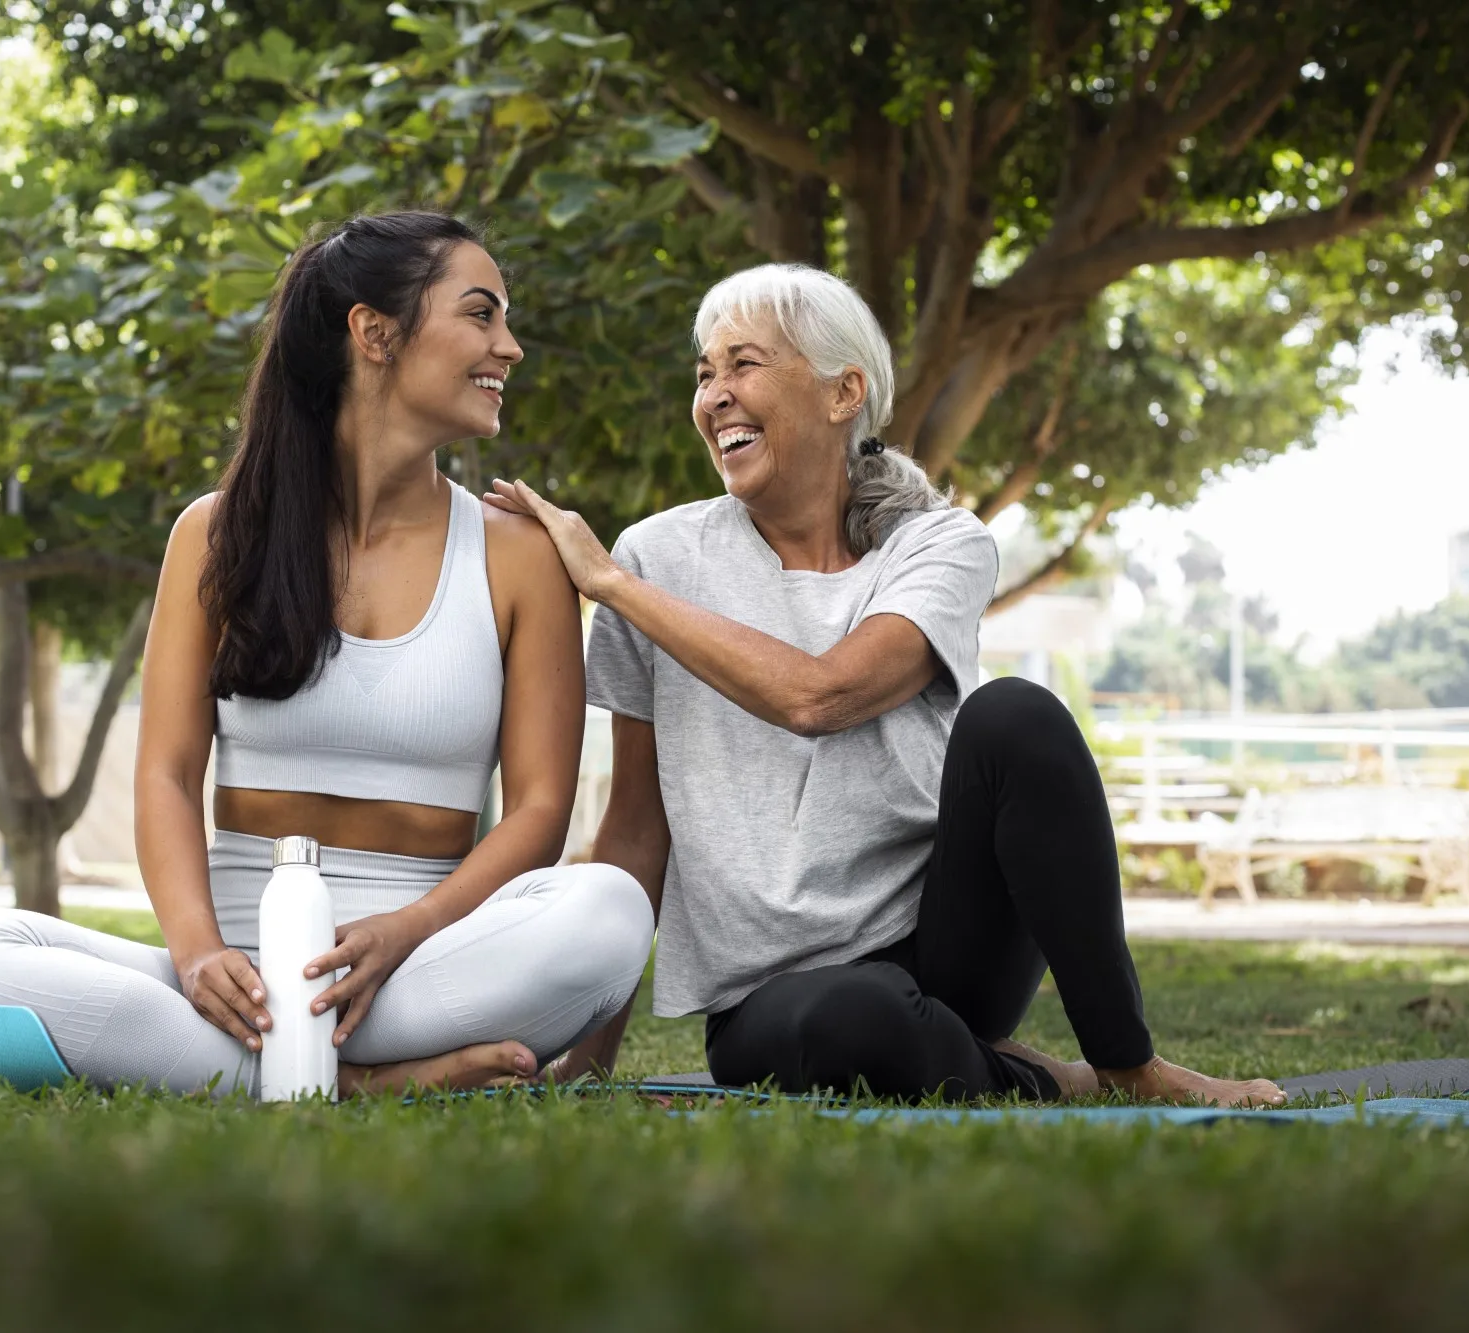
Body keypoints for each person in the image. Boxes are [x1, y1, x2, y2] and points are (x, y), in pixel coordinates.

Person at [490, 263, 1284, 1107]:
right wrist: (591, 1057)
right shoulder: (658, 556)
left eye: (744, 364)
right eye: (705, 373)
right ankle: (1047, 1076)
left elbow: (820, 697)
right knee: (856, 1022)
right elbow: (637, 828)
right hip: (775, 994)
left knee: (1018, 715)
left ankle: (1128, 1066)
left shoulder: (938, 545)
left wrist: (612, 588)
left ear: (844, 394)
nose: (716, 395)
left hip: (947, 946)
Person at [0, 212, 654, 1098]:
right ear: (375, 333)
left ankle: (252, 1071)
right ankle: (363, 1082)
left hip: (418, 968)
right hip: (236, 979)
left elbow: (539, 812)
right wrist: (194, 954)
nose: (512, 346)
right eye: (482, 315)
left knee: (608, 910)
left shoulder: (517, 552)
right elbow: (167, 774)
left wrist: (403, 932)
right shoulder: (215, 534)